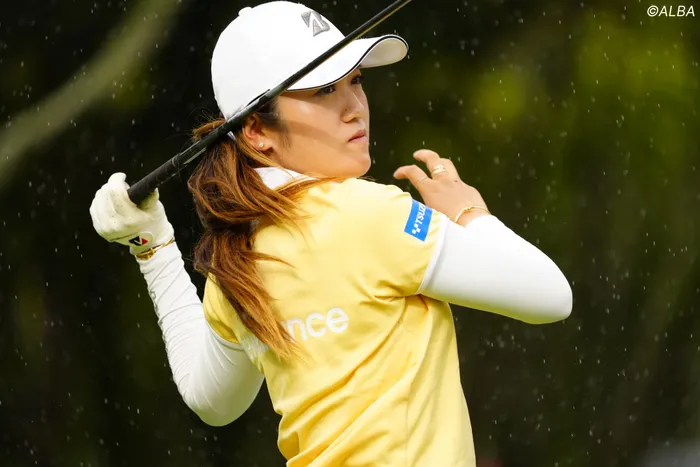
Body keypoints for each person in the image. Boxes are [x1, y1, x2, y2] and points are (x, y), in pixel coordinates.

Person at [89, 1, 573, 466]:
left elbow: (214, 403)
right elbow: (551, 296)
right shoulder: (370, 214)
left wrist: (153, 247)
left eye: (355, 80)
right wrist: (468, 213)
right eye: (323, 91)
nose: (354, 108)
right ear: (256, 130)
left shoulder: (234, 257)